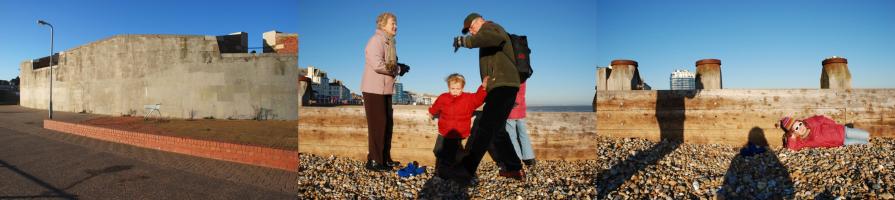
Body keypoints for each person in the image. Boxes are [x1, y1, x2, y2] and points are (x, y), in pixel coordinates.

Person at [452, 12, 524, 181]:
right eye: (468, 30)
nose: (471, 31)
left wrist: (464, 41)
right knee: (498, 130)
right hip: (501, 86)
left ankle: (466, 169)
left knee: (485, 126)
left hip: (503, 86)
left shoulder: (491, 27)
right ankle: (514, 169)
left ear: (480, 21)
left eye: (471, 27)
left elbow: (494, 38)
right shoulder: (486, 34)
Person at [361, 12, 409, 171]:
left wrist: (399, 65)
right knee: (378, 125)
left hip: (385, 90)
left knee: (386, 124)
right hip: (373, 90)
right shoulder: (376, 40)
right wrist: (399, 68)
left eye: (396, 23)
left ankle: (384, 159)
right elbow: (377, 64)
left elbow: (387, 63)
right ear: (382, 25)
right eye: (392, 23)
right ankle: (374, 161)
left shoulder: (389, 42)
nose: (395, 26)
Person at [427, 73, 488, 180]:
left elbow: (478, 99)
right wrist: (431, 112)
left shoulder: (468, 98)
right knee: (438, 150)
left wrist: (483, 87)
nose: (455, 91)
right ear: (448, 87)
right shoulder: (443, 97)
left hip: (458, 132)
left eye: (458, 88)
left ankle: (446, 170)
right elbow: (436, 106)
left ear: (462, 87)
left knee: (450, 152)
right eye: (452, 88)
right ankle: (447, 165)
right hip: (444, 131)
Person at [780, 115, 870, 151]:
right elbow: (791, 148)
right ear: (794, 132)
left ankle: (868, 138)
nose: (800, 128)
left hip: (842, 131)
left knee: (865, 135)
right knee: (864, 143)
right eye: (796, 128)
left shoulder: (810, 123)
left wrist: (833, 125)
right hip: (840, 143)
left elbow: (822, 119)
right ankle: (868, 142)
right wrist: (792, 137)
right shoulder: (803, 141)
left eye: (800, 124)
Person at [506, 82, 536, 167]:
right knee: (523, 134)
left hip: (510, 110)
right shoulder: (523, 78)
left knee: (511, 135)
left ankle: (517, 158)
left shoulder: (510, 77)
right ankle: (529, 158)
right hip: (521, 109)